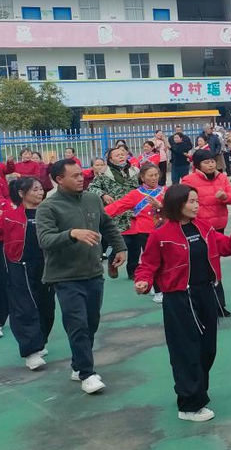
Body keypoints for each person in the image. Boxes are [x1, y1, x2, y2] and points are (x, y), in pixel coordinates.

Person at [134, 184, 231, 422]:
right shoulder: (160, 235)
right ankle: (189, 404)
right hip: (179, 298)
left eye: (197, 201)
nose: (197, 205)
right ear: (177, 204)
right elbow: (148, 265)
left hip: (206, 293)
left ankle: (197, 391)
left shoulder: (204, 228)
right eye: (191, 201)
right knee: (186, 350)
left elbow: (225, 247)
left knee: (208, 348)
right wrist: (143, 281)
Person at [36, 159, 127, 394]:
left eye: (80, 175)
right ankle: (87, 373)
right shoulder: (48, 207)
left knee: (91, 322)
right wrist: (72, 234)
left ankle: (78, 365)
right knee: (77, 323)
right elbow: (45, 240)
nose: (80, 179)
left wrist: (120, 247)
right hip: (65, 276)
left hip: (93, 273)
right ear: (59, 180)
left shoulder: (91, 199)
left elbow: (107, 226)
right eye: (74, 176)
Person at [2, 178, 55, 370]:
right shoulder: (9, 216)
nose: (40, 192)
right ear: (22, 194)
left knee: (47, 306)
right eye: (34, 190)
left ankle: (40, 340)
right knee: (24, 306)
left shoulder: (50, 212)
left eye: (41, 189)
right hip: (19, 265)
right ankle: (31, 350)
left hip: (47, 264)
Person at [181, 150, 231, 317]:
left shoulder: (221, 177)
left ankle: (219, 304)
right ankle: (203, 303)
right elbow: (183, 201)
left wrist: (225, 196)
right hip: (199, 228)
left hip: (218, 228)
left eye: (212, 161)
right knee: (201, 265)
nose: (211, 164)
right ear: (197, 165)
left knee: (214, 265)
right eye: (206, 162)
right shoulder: (189, 180)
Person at [103, 162, 166, 284]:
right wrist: (97, 216)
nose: (153, 178)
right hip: (146, 231)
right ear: (142, 177)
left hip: (164, 230)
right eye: (150, 175)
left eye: (156, 175)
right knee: (151, 259)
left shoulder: (165, 191)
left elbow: (174, 210)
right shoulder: (135, 194)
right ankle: (154, 285)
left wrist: (160, 207)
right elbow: (118, 206)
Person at [87, 146, 139, 278]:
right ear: (110, 159)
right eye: (117, 155)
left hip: (134, 213)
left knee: (135, 245)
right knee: (122, 242)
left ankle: (132, 271)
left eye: (123, 154)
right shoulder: (104, 173)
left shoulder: (135, 171)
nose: (121, 156)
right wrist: (103, 195)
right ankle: (112, 261)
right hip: (116, 213)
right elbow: (92, 187)